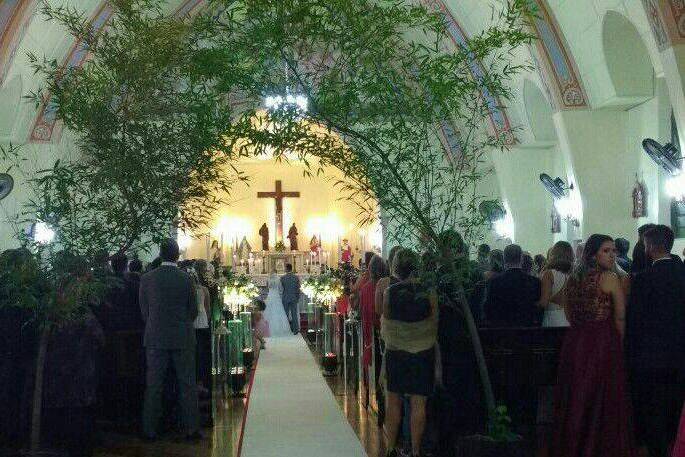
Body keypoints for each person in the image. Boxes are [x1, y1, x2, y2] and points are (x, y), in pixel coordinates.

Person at [550, 234, 635, 457]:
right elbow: (620, 317)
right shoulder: (609, 278)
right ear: (594, 253)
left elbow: (568, 312)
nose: (612, 255)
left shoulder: (573, 278)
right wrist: (619, 342)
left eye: (614, 250)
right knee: (603, 395)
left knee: (578, 393)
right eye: (607, 250)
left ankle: (575, 446)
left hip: (576, 341)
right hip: (602, 341)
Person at [626, 225, 685, 457]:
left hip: (651, 355)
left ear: (649, 247)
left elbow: (635, 321)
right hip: (680, 351)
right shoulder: (682, 274)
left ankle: (659, 448)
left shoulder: (643, 280)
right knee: (677, 402)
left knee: (654, 405)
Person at [140, 239, 200, 440]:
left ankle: (150, 430)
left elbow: (144, 310)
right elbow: (193, 310)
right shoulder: (186, 278)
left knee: (154, 385)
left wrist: (155, 325)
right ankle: (191, 428)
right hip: (182, 337)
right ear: (177, 255)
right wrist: (182, 323)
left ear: (161, 253)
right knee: (187, 384)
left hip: (156, 337)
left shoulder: (147, 279)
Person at [381, 249, 438, 457]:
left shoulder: (390, 292)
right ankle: (415, 451)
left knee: (393, 401)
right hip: (423, 352)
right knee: (418, 402)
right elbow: (434, 323)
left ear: (396, 267)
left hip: (396, 352)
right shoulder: (428, 291)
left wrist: (401, 338)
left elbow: (387, 324)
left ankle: (390, 448)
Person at [483, 244, 542, 327]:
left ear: (504, 259)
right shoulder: (534, 282)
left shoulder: (494, 282)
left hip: (501, 329)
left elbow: (488, 307)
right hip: (527, 329)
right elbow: (538, 307)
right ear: (522, 259)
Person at [538, 241, 573, 327]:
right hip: (567, 319)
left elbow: (544, 303)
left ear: (554, 254)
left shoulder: (549, 274)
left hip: (552, 319)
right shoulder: (570, 275)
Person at [265, 271, 291, 337]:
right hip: (276, 296)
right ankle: (280, 329)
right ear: (276, 273)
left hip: (270, 295)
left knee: (269, 310)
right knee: (278, 311)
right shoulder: (278, 279)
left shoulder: (268, 279)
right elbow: (280, 289)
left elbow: (267, 287)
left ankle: (266, 329)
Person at [280, 263, 301, 334]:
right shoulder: (296, 277)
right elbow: (298, 289)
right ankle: (295, 330)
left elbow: (281, 288)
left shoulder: (282, 278)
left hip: (285, 297)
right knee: (294, 314)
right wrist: (297, 297)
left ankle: (286, 330)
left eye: (285, 268)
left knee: (285, 314)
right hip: (294, 297)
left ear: (286, 269)